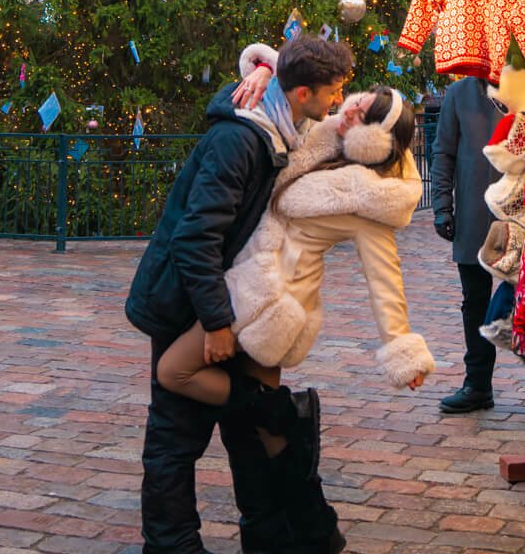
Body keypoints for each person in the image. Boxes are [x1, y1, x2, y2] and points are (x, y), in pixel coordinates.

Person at [125, 33, 352, 554]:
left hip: (229, 298)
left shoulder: (276, 120)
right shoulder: (241, 139)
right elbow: (196, 238)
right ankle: (170, 547)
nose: (337, 103)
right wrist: (219, 322)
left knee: (248, 428)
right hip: (189, 301)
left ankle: (267, 530)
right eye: (332, 93)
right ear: (300, 93)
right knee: (177, 434)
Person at [158, 87, 434, 402]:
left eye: (362, 117)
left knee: (173, 371)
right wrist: (264, 69)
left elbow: (385, 280)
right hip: (250, 276)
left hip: (272, 297)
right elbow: (299, 87)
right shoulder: (323, 137)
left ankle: (284, 412)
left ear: (375, 139)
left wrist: (403, 350)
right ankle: (284, 416)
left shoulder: (372, 199)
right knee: (260, 428)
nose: (349, 112)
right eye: (357, 102)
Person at [431, 75, 503, 413]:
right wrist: (442, 205)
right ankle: (477, 383)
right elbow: (443, 151)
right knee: (475, 301)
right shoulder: (460, 93)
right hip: (475, 211)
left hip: (522, 210)